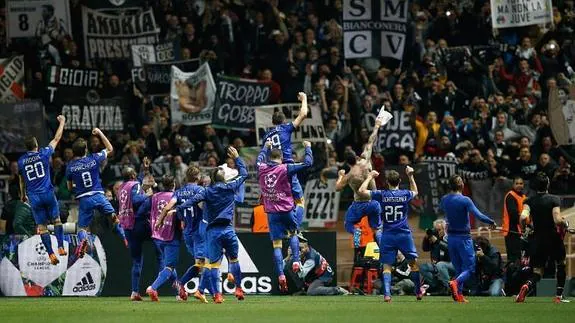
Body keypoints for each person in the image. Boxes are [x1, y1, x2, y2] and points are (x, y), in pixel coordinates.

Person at [178, 147, 248, 303]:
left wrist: (178, 208)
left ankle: (217, 295)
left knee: (213, 265)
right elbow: (244, 174)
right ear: (222, 178)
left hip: (212, 232)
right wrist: (237, 158)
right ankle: (239, 288)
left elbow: (192, 201)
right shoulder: (230, 186)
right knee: (234, 260)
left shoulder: (206, 191)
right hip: (228, 229)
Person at [358, 166, 422, 302]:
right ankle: (418, 292)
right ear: (399, 181)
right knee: (413, 264)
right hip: (404, 234)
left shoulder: (382, 194)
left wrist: (370, 177)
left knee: (387, 265)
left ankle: (387, 294)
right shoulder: (404, 194)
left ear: (387, 182)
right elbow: (415, 191)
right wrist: (410, 176)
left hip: (388, 234)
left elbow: (361, 191)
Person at [257, 139, 313, 292]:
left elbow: (259, 158)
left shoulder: (261, 167)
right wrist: (308, 148)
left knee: (277, 245)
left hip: (272, 213)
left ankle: (281, 275)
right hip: (286, 210)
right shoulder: (285, 168)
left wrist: (265, 147)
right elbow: (308, 163)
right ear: (280, 158)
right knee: (294, 232)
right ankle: (296, 261)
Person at [66, 128, 127, 258]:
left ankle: (83, 240)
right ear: (86, 150)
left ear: (74, 152)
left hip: (84, 199)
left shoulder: (70, 167)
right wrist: (99, 132)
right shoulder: (94, 159)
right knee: (113, 216)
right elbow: (110, 149)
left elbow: (69, 187)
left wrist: (78, 186)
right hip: (99, 195)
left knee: (82, 228)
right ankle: (124, 236)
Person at [17, 115, 66, 265]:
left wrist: (22, 194)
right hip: (47, 193)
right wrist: (62, 122)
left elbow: (21, 179)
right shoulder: (44, 154)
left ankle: (50, 254)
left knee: (42, 227)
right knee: (57, 221)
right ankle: (60, 246)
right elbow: (56, 138)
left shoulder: (21, 161)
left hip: (33, 196)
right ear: (36, 145)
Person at [439, 175, 496, 303]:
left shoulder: (444, 199)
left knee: (459, 268)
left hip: (451, 239)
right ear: (461, 185)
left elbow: (445, 211)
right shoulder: (465, 200)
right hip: (463, 238)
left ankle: (459, 295)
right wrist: (490, 221)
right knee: (469, 268)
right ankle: (455, 283)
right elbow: (478, 215)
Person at [516, 172, 570, 303]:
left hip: (537, 239)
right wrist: (566, 223)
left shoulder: (528, 201)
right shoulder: (553, 199)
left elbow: (523, 217)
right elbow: (557, 220)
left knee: (538, 271)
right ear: (548, 184)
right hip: (553, 238)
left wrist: (524, 229)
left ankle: (527, 285)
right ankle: (558, 296)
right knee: (561, 264)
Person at [157, 166, 209, 303]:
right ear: (198, 177)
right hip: (199, 232)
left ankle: (187, 287)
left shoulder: (179, 192)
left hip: (187, 233)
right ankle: (197, 290)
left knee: (200, 264)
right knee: (204, 264)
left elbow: (168, 207)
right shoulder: (200, 190)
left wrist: (159, 220)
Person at [336, 118, 383, 246]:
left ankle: (357, 234)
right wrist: (377, 126)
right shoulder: (366, 162)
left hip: (359, 204)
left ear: (346, 162)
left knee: (348, 224)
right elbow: (371, 141)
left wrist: (340, 175)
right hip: (373, 201)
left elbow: (338, 188)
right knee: (377, 228)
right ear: (357, 156)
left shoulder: (349, 175)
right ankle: (383, 248)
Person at [261, 92, 308, 210]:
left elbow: (265, 155)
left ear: (272, 122)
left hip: (272, 170)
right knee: (299, 200)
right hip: (287, 167)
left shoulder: (266, 136)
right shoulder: (286, 128)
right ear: (284, 120)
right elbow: (303, 114)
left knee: (280, 199)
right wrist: (304, 98)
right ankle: (295, 226)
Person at [117, 158, 155, 301]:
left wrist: (144, 170)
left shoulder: (121, 187)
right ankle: (172, 286)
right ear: (132, 176)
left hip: (127, 226)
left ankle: (134, 292)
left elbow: (136, 184)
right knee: (161, 246)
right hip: (138, 224)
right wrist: (148, 195)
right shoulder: (135, 185)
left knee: (136, 261)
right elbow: (136, 199)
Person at [146, 175, 181, 302]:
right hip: (170, 235)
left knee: (169, 264)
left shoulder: (155, 196)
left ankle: (179, 292)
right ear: (174, 184)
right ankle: (153, 287)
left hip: (156, 234)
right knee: (169, 266)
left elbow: (145, 210)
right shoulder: (176, 196)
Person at [420, 219, 453, 295]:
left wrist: (437, 241)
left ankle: (449, 288)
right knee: (423, 267)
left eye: (439, 230)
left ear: (445, 229)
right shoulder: (433, 238)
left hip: (450, 264)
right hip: (436, 265)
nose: (437, 232)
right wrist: (426, 238)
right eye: (435, 230)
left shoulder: (449, 238)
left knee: (440, 265)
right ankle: (438, 285)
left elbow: (449, 251)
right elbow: (425, 249)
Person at [502, 177, 527, 263]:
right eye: (517, 183)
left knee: (521, 257)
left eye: (521, 183)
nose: (519, 185)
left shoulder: (524, 197)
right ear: (513, 185)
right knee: (514, 258)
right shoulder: (510, 195)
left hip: (521, 230)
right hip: (512, 231)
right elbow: (514, 215)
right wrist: (524, 225)